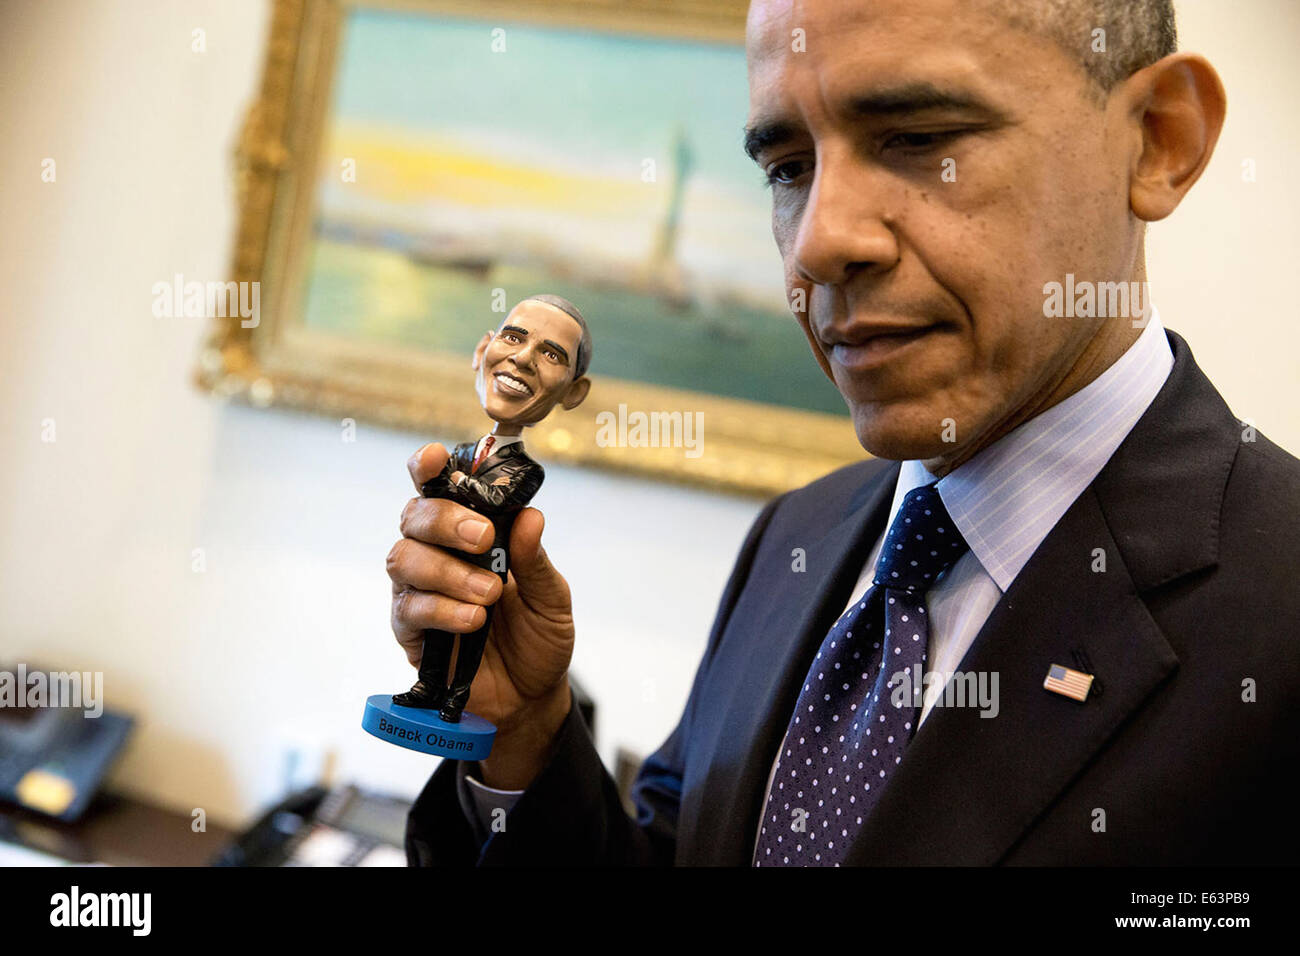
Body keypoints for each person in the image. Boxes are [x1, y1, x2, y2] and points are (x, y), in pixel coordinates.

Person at [387, 0, 1300, 864]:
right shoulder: (798, 537)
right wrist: (525, 738)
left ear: (1158, 141)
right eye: (787, 167)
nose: (819, 242)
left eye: (919, 141)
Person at [390, 294, 591, 723]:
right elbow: (441, 493)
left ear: (573, 392)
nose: (522, 358)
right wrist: (453, 486)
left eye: (551, 353)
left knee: (471, 636)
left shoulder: (526, 469)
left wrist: (454, 482)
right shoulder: (462, 450)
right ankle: (429, 685)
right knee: (438, 628)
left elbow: (496, 499)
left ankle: (457, 695)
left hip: (488, 570)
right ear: (483, 351)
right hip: (447, 560)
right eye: (513, 336)